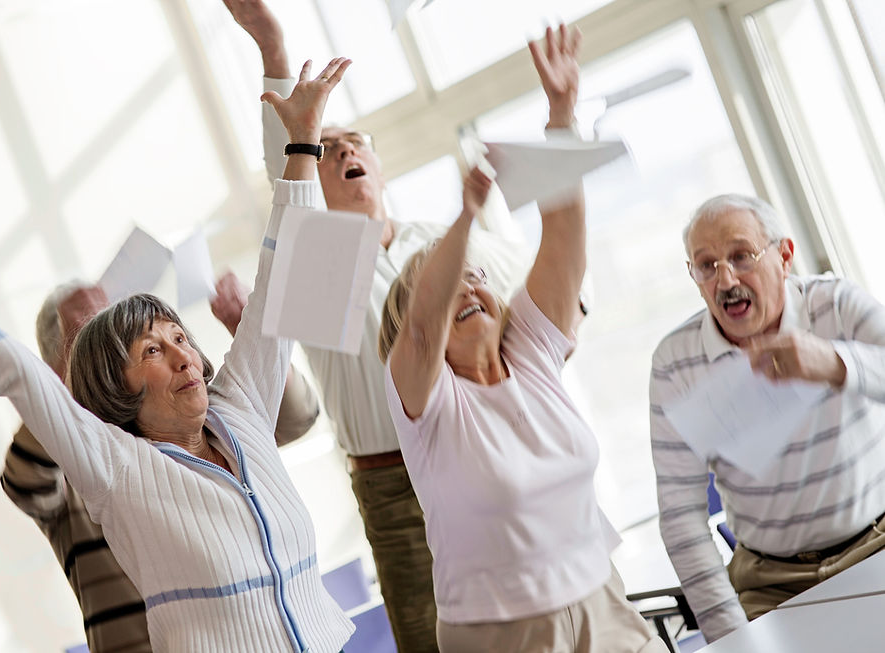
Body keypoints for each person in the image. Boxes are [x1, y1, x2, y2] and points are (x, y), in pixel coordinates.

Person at [0, 57, 354, 653]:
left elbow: (283, 283)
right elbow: (23, 377)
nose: (182, 355)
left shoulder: (239, 409)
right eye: (151, 349)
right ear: (114, 387)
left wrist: (302, 145)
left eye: (180, 338)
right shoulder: (117, 468)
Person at [223, 2, 528, 649]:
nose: (342, 152)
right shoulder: (324, 264)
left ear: (381, 167)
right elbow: (290, 177)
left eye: (354, 143)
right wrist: (273, 49)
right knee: (434, 639)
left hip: (478, 455)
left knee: (531, 620)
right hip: (394, 489)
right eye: (327, 151)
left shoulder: (441, 245)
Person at [379, 26, 665, 653]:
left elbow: (563, 240)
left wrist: (561, 115)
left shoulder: (530, 350)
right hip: (498, 630)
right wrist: (461, 220)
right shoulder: (425, 402)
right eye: (451, 282)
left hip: (600, 593)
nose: (468, 287)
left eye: (478, 277)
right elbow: (424, 323)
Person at [1, 271, 320, 653]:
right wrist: (57, 393)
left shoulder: (194, 424)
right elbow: (23, 486)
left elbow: (298, 417)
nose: (112, 338)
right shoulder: (75, 463)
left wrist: (248, 332)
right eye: (86, 333)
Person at [650, 193, 885, 642]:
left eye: (741, 257)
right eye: (706, 265)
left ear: (784, 256)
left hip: (877, 541)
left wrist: (836, 364)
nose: (725, 280)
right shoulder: (674, 362)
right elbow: (680, 515)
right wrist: (730, 635)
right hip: (771, 580)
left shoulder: (833, 304)